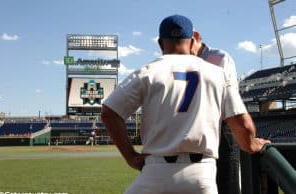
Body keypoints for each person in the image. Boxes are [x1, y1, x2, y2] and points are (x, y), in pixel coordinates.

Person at [101, 14, 270, 194]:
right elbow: (241, 124)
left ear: (160, 43)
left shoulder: (147, 71)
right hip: (201, 174)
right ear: (191, 41)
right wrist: (252, 144)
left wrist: (131, 157)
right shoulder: (217, 73)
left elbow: (109, 112)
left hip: (155, 170)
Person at [191, 31, 241, 194]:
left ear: (197, 37)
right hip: (198, 129)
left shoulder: (219, 57)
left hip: (222, 126)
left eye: (188, 41)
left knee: (227, 180)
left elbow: (228, 97)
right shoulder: (185, 61)